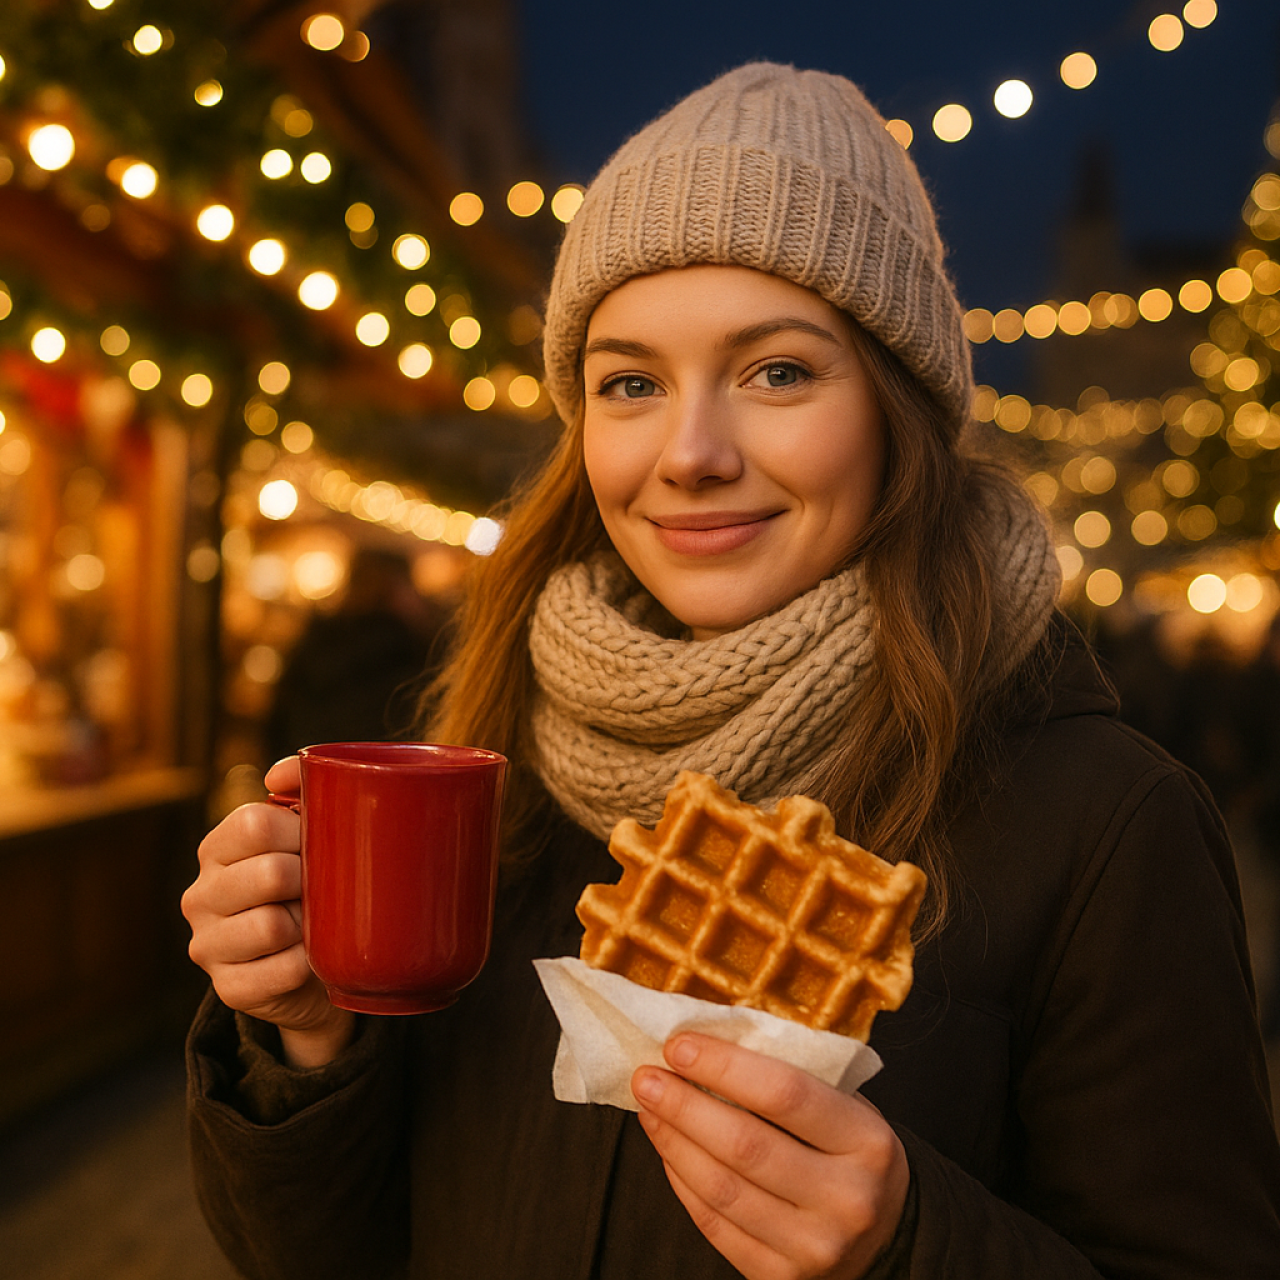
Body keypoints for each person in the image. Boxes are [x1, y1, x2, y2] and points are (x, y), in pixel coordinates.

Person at [180, 63, 1280, 1278]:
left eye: (777, 371)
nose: (691, 453)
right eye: (630, 383)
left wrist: (908, 1242)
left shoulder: (1105, 823)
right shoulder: (490, 769)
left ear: (895, 408)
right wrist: (305, 1045)